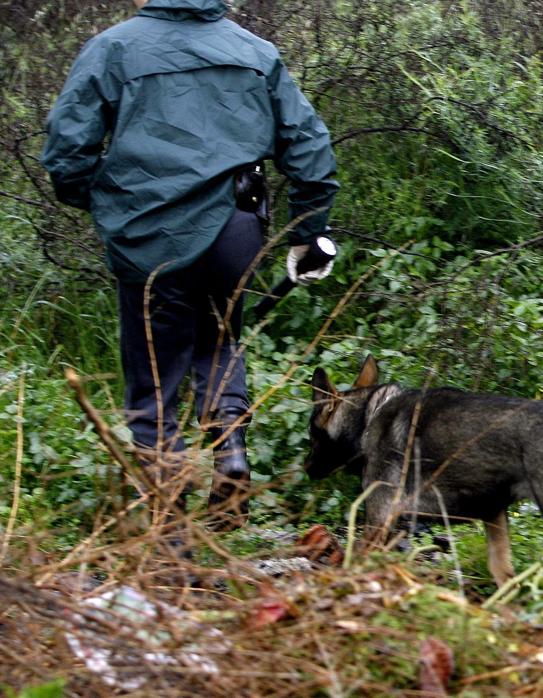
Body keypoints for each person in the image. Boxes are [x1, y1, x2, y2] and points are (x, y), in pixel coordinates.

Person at [41, 0, 339, 533]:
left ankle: (170, 528)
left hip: (151, 235)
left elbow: (67, 151)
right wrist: (308, 231)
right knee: (221, 339)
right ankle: (230, 450)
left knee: (154, 377)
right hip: (237, 227)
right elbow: (309, 143)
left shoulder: (113, 48)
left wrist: (109, 203)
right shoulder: (254, 51)